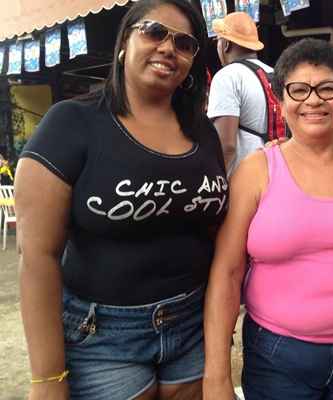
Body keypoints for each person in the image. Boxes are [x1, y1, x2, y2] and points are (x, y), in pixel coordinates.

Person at [15, 0, 227, 399]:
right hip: (103, 337)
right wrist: (47, 378)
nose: (168, 48)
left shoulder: (202, 132)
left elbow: (215, 231)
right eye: (154, 32)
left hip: (192, 325)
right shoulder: (71, 123)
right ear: (124, 43)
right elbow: (37, 257)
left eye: (184, 43)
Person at [203, 38, 333, 400]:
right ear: (281, 102)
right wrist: (217, 376)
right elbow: (227, 272)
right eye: (298, 90)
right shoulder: (257, 171)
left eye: (328, 88)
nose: (314, 100)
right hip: (278, 359)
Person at [207, 11, 272, 175]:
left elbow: (226, 145)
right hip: (276, 174)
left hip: (244, 180)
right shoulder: (276, 73)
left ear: (226, 44)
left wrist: (217, 182)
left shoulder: (227, 76)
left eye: (218, 40)